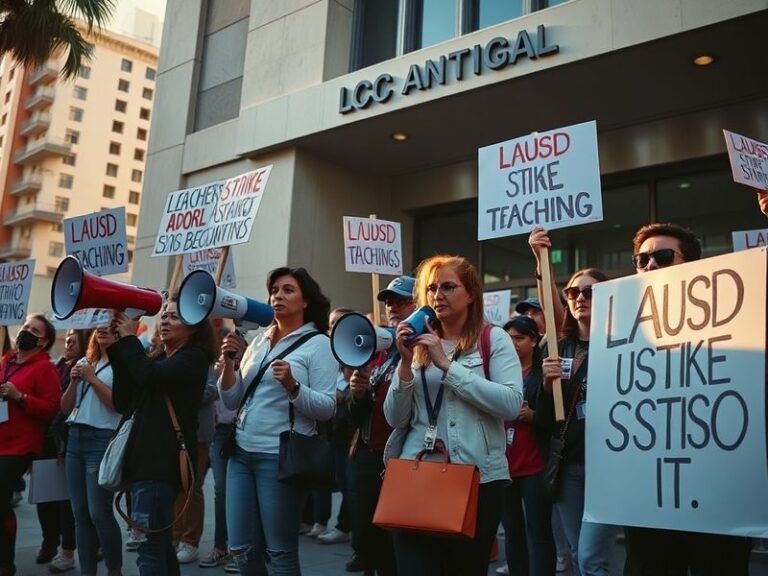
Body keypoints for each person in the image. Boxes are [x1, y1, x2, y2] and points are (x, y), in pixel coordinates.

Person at [623, 222, 753, 576]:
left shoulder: (734, 316)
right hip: (650, 496)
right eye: (641, 259)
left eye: (663, 257)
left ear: (692, 264)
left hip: (716, 494)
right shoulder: (620, 330)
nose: (650, 265)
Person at [383, 255, 523, 576]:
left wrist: (447, 365)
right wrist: (405, 363)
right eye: (431, 288)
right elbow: (395, 418)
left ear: (471, 293)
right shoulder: (417, 343)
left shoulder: (493, 338)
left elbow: (511, 404)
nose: (437, 296)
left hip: (475, 479)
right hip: (416, 475)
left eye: (448, 287)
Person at [218, 267, 337, 576]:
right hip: (241, 455)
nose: (277, 296)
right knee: (242, 549)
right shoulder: (259, 341)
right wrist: (229, 366)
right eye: (274, 291)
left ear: (306, 300)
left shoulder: (319, 345)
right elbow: (232, 401)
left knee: (279, 552)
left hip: (279, 460)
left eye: (288, 290)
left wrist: (293, 387)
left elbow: (327, 408)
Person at [110, 298, 217, 576]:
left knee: (149, 547)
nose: (165, 321)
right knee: (159, 543)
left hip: (160, 463)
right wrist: (116, 347)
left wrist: (130, 341)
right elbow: (123, 400)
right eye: (164, 316)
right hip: (145, 461)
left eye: (175, 317)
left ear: (194, 328)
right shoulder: (157, 358)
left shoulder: (193, 358)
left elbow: (150, 377)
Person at [348, 275, 416, 576]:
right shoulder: (375, 350)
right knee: (363, 535)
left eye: (402, 301)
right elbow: (355, 415)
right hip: (367, 454)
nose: (393, 307)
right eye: (389, 301)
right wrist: (358, 394)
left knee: (395, 541)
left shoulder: (424, 348)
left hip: (403, 457)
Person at [0, 315, 61, 576]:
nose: (26, 331)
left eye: (33, 330)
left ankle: (6, 562)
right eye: (25, 326)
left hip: (21, 446)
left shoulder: (44, 368)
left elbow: (51, 408)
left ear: (43, 341)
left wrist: (20, 397)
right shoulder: (7, 361)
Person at [61, 326, 124, 576]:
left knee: (98, 511)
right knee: (79, 513)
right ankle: (87, 571)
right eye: (100, 326)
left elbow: (116, 404)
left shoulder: (124, 364)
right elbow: (65, 407)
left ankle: (114, 568)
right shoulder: (86, 361)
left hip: (101, 438)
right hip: (75, 438)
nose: (103, 330)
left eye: (110, 327)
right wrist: (75, 380)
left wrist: (92, 379)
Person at [497, 315, 555, 576]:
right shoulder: (497, 372)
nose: (512, 343)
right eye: (508, 338)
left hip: (534, 466)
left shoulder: (544, 373)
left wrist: (534, 416)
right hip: (504, 467)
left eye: (519, 338)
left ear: (534, 341)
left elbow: (556, 417)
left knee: (539, 531)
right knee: (512, 533)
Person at [42, 328, 90, 572]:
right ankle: (54, 543)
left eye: (74, 339)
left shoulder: (86, 369)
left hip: (72, 440)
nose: (69, 342)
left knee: (78, 503)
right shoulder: (58, 366)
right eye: (68, 338)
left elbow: (67, 408)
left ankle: (71, 550)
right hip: (54, 439)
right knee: (53, 498)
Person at [174, 369, 218, 564]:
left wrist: (180, 392)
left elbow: (211, 390)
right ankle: (174, 536)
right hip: (170, 434)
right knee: (174, 487)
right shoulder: (164, 355)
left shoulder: (201, 357)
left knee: (192, 486)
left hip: (197, 435)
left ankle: (189, 541)